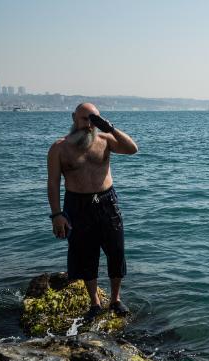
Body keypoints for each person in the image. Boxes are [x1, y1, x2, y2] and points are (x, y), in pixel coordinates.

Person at [47, 103, 138, 322]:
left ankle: (115, 299)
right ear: (73, 118)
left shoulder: (105, 140)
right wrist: (56, 215)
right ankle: (95, 303)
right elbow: (53, 183)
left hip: (107, 202)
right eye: (85, 119)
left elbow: (132, 149)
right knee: (86, 255)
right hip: (77, 205)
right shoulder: (59, 148)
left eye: (94, 119)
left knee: (116, 252)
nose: (89, 124)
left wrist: (110, 128)